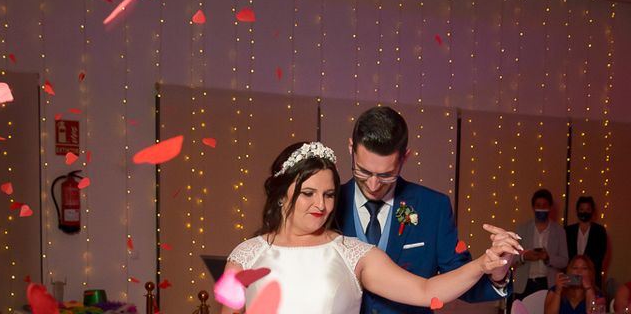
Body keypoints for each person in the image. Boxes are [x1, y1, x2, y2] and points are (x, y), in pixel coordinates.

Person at [220, 141, 522, 314]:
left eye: (328, 194)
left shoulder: (352, 254)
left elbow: (426, 290)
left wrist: (484, 263)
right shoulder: (246, 256)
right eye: (308, 193)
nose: (321, 206)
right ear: (280, 193)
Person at [335, 106, 514, 314]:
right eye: (363, 171)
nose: (373, 184)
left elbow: (458, 280)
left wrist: (497, 273)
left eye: (386, 175)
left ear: (405, 157)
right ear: (351, 148)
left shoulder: (433, 207)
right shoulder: (329, 205)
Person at [514, 188, 569, 300]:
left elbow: (564, 261)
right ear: (533, 207)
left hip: (548, 284)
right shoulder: (522, 229)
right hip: (524, 285)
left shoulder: (559, 231)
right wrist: (524, 256)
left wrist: (548, 258)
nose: (541, 208)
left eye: (544, 205)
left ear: (550, 207)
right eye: (538, 205)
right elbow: (511, 258)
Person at [565, 196, 607, 289]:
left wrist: (586, 270)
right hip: (572, 276)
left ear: (592, 211)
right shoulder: (568, 230)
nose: (585, 212)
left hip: (592, 276)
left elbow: (600, 255)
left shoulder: (599, 231)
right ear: (577, 211)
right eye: (581, 209)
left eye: (588, 209)